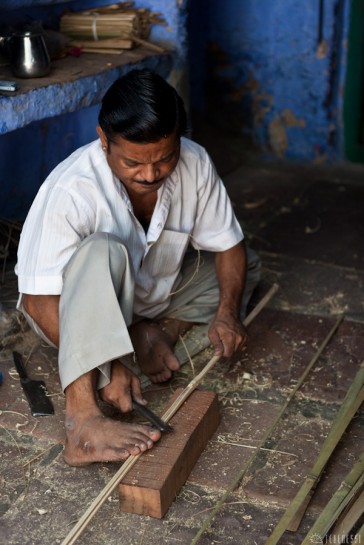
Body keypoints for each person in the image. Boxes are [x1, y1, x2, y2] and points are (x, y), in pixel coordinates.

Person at [15, 68, 261, 467]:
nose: (150, 174)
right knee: (100, 251)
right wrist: (109, 366)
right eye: (132, 162)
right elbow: (38, 301)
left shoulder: (195, 163)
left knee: (245, 267)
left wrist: (228, 316)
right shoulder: (72, 189)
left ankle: (151, 332)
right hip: (78, 311)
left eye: (165, 159)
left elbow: (229, 244)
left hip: (153, 293)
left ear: (179, 139)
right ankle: (82, 421)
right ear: (103, 140)